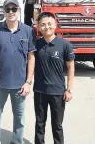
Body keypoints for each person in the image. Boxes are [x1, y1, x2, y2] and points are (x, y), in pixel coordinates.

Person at [0, 0, 36, 144]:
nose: (11, 12)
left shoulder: (28, 31)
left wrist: (28, 82)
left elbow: (31, 58)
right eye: (7, 9)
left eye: (14, 9)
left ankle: (17, 141)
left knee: (19, 118)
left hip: (20, 85)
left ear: (19, 11)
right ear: (3, 12)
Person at [33, 12, 75, 144]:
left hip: (57, 92)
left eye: (49, 24)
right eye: (43, 25)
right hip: (39, 91)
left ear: (55, 24)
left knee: (57, 125)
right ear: (39, 27)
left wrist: (69, 89)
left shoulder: (65, 44)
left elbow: (70, 68)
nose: (47, 27)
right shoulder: (36, 44)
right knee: (40, 124)